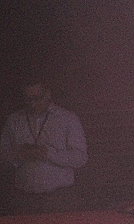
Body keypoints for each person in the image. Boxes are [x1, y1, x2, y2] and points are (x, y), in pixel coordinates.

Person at [0, 80, 88, 214]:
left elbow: (80, 158)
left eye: (37, 98)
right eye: (28, 99)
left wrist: (48, 153)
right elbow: (2, 156)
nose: (33, 104)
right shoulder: (14, 121)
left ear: (48, 94)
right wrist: (19, 155)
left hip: (60, 197)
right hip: (23, 198)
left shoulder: (68, 119)